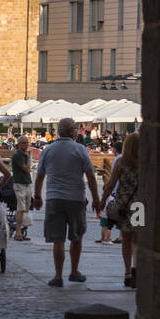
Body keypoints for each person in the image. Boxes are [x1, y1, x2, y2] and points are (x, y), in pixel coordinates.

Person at [32, 117, 101, 287]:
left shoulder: (48, 150)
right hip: (75, 198)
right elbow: (91, 177)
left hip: (54, 198)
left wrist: (38, 197)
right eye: (76, 128)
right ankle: (74, 272)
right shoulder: (80, 150)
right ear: (71, 131)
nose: (78, 131)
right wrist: (96, 198)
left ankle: (57, 276)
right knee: (76, 237)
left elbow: (40, 176)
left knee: (58, 239)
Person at [99, 129, 140, 287]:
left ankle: (127, 273)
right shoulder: (145, 161)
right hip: (139, 204)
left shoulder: (121, 161)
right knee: (137, 239)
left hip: (123, 202)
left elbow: (110, 184)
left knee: (126, 240)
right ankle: (136, 266)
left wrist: (102, 200)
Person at [11, 134, 33, 241]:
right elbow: (26, 169)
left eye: (27, 143)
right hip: (19, 184)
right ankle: (18, 232)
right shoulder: (18, 156)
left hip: (27, 183)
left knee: (26, 208)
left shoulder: (24, 155)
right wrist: (28, 157)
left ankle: (22, 231)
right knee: (21, 208)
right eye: (23, 143)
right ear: (18, 144)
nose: (25, 145)